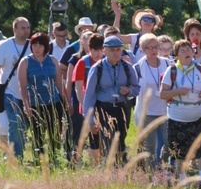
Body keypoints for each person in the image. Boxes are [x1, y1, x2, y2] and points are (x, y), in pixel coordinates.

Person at [159, 39, 201, 189]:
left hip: (199, 114)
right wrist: (177, 91)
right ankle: (183, 179)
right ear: (176, 55)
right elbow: (162, 94)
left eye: (189, 49)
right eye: (182, 51)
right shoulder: (171, 71)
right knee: (179, 150)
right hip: (178, 116)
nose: (187, 52)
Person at [82, 35, 140, 165]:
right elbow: (89, 96)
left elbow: (137, 88)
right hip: (104, 108)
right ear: (105, 51)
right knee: (109, 140)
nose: (115, 53)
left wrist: (129, 91)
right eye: (112, 50)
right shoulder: (97, 68)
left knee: (121, 140)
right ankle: (111, 168)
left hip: (122, 107)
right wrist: (90, 120)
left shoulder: (128, 67)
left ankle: (119, 166)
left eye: (118, 50)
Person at [18, 32, 67, 164]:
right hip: (35, 104)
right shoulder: (25, 62)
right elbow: (22, 86)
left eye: (40, 45)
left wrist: (66, 102)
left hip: (54, 102)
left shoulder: (53, 60)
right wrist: (26, 105)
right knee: (38, 134)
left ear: (46, 47)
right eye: (35, 45)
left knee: (54, 134)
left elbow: (59, 82)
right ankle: (39, 162)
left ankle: (54, 160)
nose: (37, 48)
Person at [0, 17, 31, 159]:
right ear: (15, 29)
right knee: (14, 122)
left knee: (24, 126)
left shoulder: (33, 46)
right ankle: (16, 156)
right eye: (23, 28)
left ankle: (16, 150)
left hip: (27, 94)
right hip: (9, 91)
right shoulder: (4, 46)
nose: (26, 31)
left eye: (28, 28)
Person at [133, 34, 170, 171]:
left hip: (165, 110)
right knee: (150, 145)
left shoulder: (167, 63)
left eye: (156, 47)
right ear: (143, 49)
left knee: (169, 142)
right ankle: (154, 171)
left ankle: (162, 163)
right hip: (147, 111)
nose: (154, 50)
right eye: (150, 47)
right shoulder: (137, 68)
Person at [71, 33, 104, 165]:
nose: (98, 53)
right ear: (89, 48)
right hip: (85, 105)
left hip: (102, 105)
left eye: (101, 50)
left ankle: (97, 163)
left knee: (98, 135)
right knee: (82, 135)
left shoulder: (106, 61)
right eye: (95, 50)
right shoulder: (82, 63)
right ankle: (75, 161)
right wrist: (85, 107)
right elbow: (78, 88)